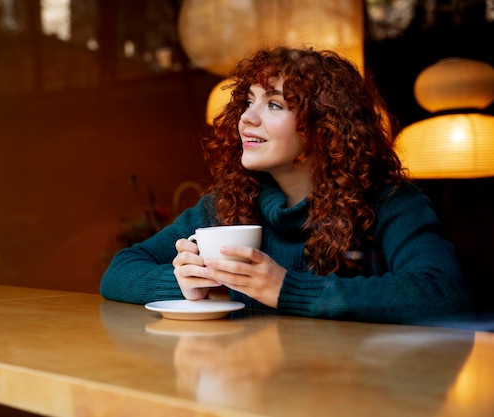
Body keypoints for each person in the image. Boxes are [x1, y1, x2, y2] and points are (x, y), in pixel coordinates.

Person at [100, 46, 472, 325]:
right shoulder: (230, 201)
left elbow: (443, 291)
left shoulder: (391, 202)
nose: (246, 118)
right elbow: (119, 271)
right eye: (248, 103)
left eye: (274, 105)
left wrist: (285, 290)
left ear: (325, 127)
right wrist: (187, 283)